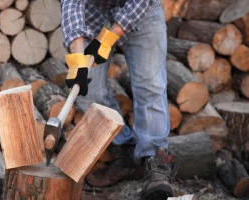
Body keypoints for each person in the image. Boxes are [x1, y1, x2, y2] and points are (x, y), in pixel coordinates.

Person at [60, 0, 177, 199]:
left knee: (151, 86)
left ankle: (155, 160)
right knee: (88, 91)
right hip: (93, 14)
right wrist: (78, 57)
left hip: (142, 12)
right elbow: (71, 2)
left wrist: (108, 38)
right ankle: (125, 151)